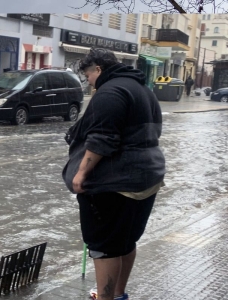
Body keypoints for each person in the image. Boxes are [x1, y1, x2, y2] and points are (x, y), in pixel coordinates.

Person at [62, 48, 166, 300]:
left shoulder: (110, 92)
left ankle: (106, 297)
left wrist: (80, 174)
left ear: (98, 69)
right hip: (146, 178)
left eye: (87, 74)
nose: (88, 81)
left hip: (113, 183)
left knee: (103, 247)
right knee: (125, 241)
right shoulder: (143, 90)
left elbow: (102, 139)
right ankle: (118, 294)